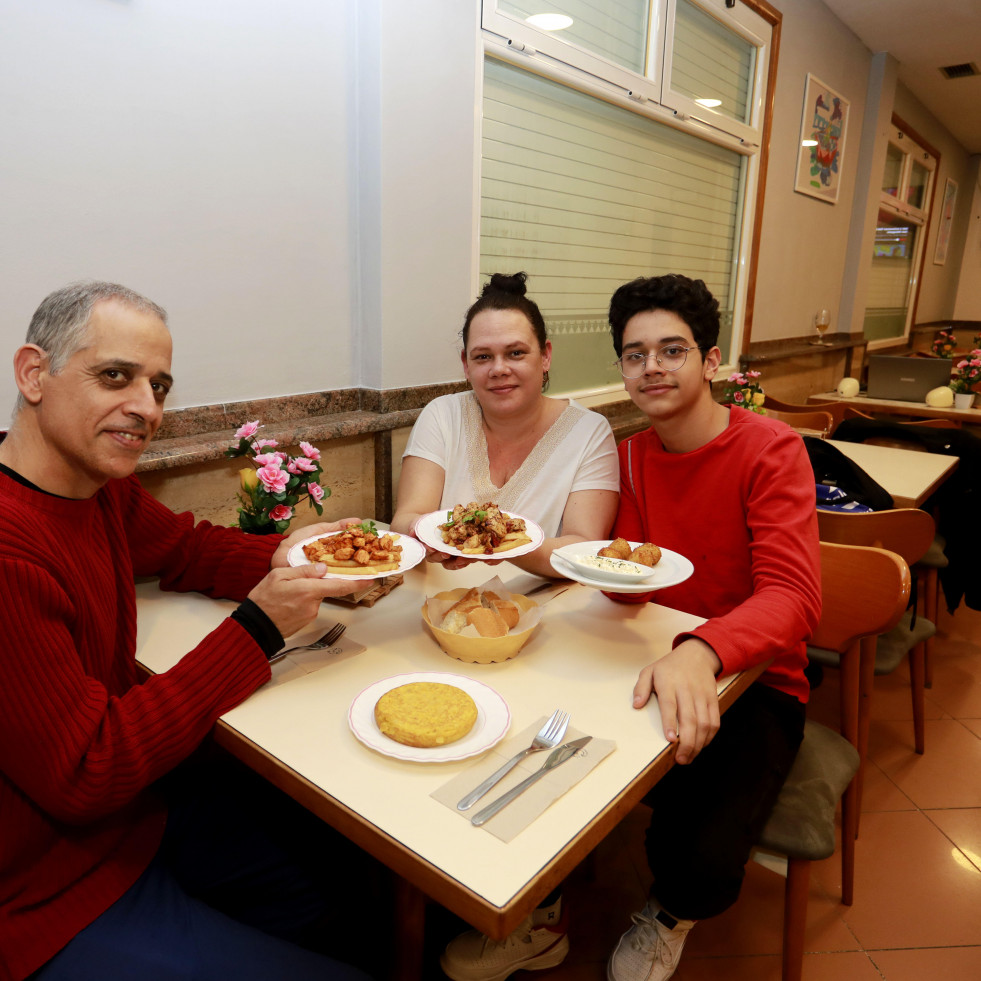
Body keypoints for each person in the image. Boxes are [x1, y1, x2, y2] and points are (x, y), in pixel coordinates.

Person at [0, 282, 372, 980]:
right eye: (115, 375)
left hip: (138, 822)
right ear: (32, 373)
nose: (146, 408)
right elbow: (89, 768)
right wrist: (259, 627)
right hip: (43, 891)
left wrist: (294, 557)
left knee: (354, 880)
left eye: (159, 385)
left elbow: (184, 549)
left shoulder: (100, 487)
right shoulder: (10, 549)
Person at [603, 274, 821, 981]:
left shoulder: (770, 449)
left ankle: (669, 911)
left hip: (757, 677)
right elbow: (629, 578)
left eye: (671, 349)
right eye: (634, 354)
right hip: (651, 657)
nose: (652, 368)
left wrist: (703, 647)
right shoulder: (629, 457)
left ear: (711, 360)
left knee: (695, 844)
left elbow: (792, 595)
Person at [391, 272, 619, 579]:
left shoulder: (588, 433)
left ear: (546, 356)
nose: (499, 369)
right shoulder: (442, 415)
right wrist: (426, 534)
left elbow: (582, 548)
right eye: (483, 356)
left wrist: (503, 545)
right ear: (466, 365)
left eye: (516, 353)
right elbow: (407, 517)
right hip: (437, 598)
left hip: (539, 609)